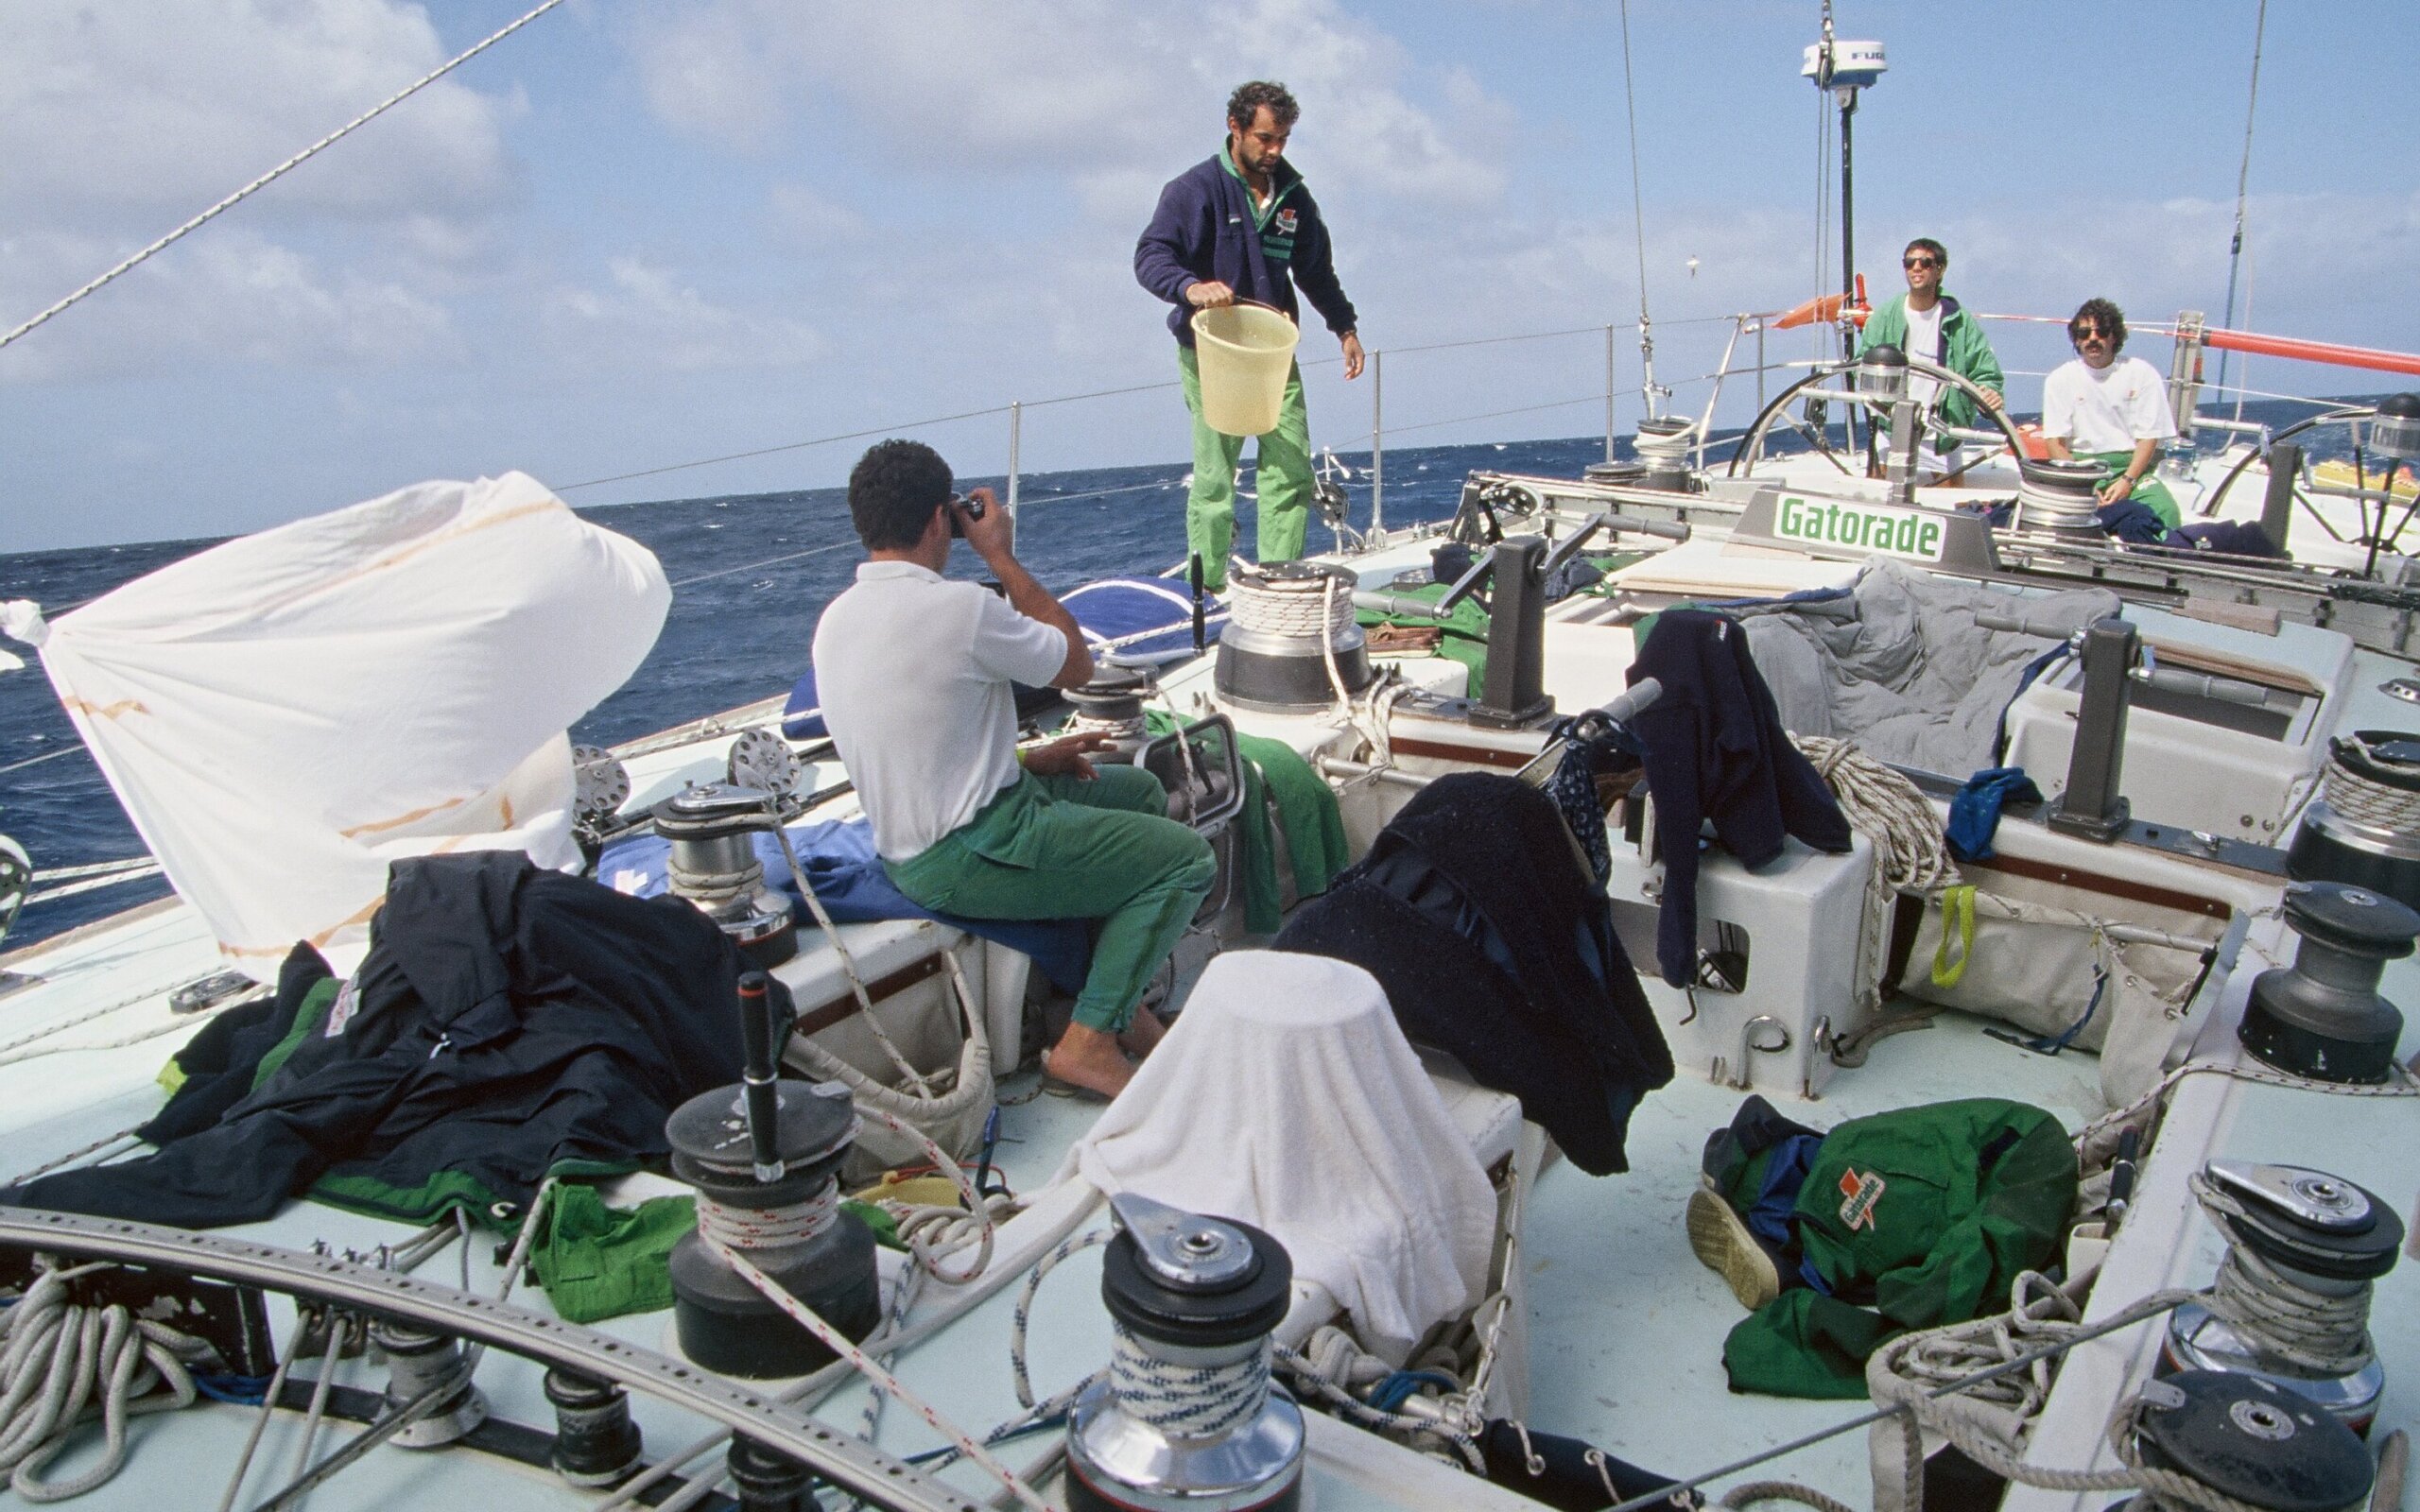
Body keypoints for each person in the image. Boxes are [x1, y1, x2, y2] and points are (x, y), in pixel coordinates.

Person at [811, 440, 1217, 1099]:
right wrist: (998, 554)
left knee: (1140, 791)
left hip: (912, 843)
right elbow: (1076, 664)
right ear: (940, 519)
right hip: (973, 849)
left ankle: (1113, 1000)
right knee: (1186, 861)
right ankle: (1088, 1042)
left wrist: (1026, 758)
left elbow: (912, 738)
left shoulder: (835, 621)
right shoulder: (961, 609)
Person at [1136, 80, 1364, 592]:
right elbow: (1151, 255)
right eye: (1265, 138)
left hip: (1273, 356)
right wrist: (1190, 287)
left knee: (1291, 468)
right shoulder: (1194, 190)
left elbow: (1316, 271)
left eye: (1283, 139)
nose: (1275, 150)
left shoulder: (1293, 196)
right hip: (1211, 353)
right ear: (1235, 128)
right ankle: (1206, 588)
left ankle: (1279, 582)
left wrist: (1344, 327)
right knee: (1216, 478)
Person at [1855, 237, 2004, 472]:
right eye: (1909, 262)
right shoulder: (1883, 317)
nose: (1916, 268)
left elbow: (1984, 371)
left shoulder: (1960, 321)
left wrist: (1989, 392)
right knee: (1880, 487)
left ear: (1940, 270)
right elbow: (1861, 366)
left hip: (1943, 430)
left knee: (1949, 491)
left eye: (1925, 263)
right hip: (1892, 426)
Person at [2040, 298, 2182, 528]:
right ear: (2077, 339)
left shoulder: (2142, 374)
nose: (2093, 338)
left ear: (2114, 336)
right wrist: (2085, 486)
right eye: (2084, 333)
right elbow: (2055, 444)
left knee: (2166, 510)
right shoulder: (2059, 379)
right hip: (2081, 470)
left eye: (2102, 331)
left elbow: (2148, 438)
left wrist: (2128, 480)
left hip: (2130, 469)